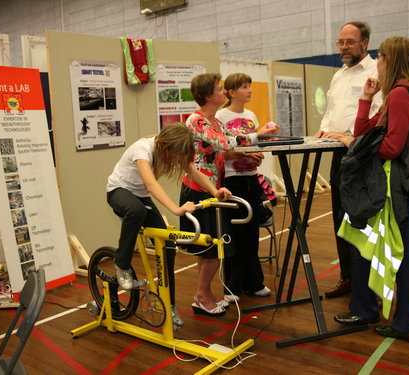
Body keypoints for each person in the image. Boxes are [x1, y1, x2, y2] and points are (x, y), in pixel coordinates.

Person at [333, 36, 409, 343]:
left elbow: (391, 147)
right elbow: (363, 130)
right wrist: (367, 98)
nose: (378, 62)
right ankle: (376, 310)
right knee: (386, 250)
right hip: (390, 185)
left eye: (381, 57)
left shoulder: (400, 94)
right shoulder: (399, 93)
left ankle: (405, 322)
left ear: (391, 59)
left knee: (398, 254)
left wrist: (357, 147)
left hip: (388, 186)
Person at [106, 122, 231, 330]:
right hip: (119, 191)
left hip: (139, 197)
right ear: (165, 146)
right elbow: (151, 184)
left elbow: (193, 172)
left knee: (168, 246)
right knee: (135, 211)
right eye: (174, 156)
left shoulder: (172, 150)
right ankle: (122, 265)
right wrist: (175, 209)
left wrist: (214, 191)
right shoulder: (142, 149)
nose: (175, 161)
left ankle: (168, 305)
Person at [180, 73, 279, 316]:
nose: (224, 92)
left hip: (214, 189)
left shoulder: (215, 121)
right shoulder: (197, 120)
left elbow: (232, 140)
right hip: (198, 190)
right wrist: (260, 134)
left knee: (212, 249)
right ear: (207, 96)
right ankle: (202, 295)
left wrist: (258, 137)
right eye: (220, 89)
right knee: (212, 250)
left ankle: (203, 294)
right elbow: (225, 143)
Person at [314, 21, 382, 298]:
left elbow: (377, 111)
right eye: (340, 42)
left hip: (363, 151)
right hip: (338, 153)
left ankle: (369, 286)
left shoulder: (377, 70)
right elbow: (331, 112)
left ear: (364, 43)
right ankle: (348, 278)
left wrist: (348, 134)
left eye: (349, 42)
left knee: (362, 219)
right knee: (341, 216)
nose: (344, 47)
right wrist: (322, 130)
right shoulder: (339, 75)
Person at [216, 73, 272, 303]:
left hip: (251, 178)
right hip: (232, 180)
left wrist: (256, 156)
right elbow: (220, 150)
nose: (249, 90)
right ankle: (232, 287)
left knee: (251, 233)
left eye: (249, 86)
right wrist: (243, 153)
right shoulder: (221, 116)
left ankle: (254, 283)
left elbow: (254, 144)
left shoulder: (250, 115)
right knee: (234, 235)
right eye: (243, 87)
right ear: (230, 92)